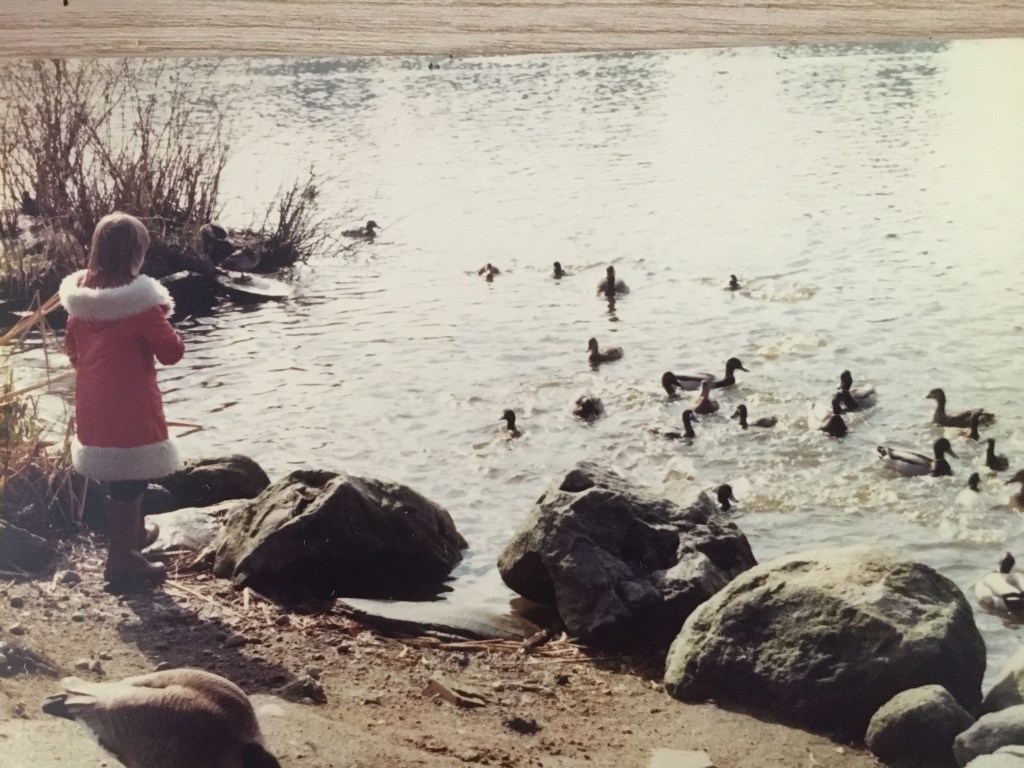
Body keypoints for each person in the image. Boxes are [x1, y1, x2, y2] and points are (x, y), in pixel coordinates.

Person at [59, 212, 185, 585]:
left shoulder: (81, 303)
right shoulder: (140, 306)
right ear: (135, 256)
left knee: (120, 478)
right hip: (131, 405)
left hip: (93, 405)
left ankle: (129, 537)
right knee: (130, 481)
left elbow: (71, 349)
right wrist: (164, 320)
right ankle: (123, 559)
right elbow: (172, 352)